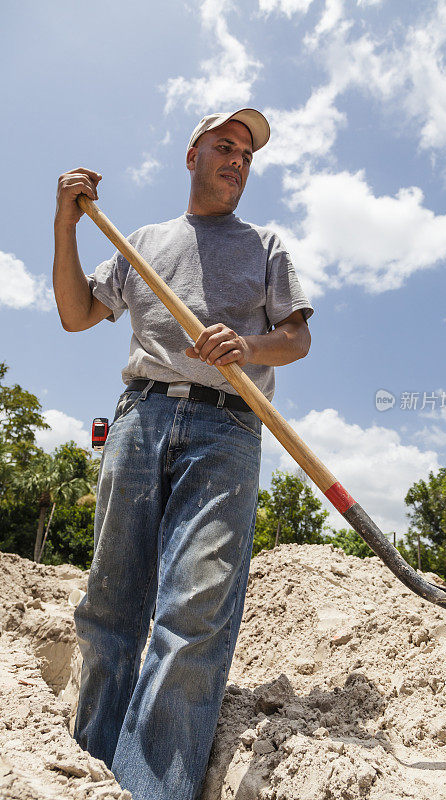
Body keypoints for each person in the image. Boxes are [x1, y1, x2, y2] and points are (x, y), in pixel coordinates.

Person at [52, 107, 313, 800]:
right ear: (191, 154)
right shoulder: (140, 241)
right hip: (139, 418)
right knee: (110, 606)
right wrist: (65, 224)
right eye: (224, 146)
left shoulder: (265, 243)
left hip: (227, 428)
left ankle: (147, 790)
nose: (237, 160)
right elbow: (77, 314)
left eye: (246, 155)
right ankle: (88, 771)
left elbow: (295, 337)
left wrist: (249, 346)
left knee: (193, 611)